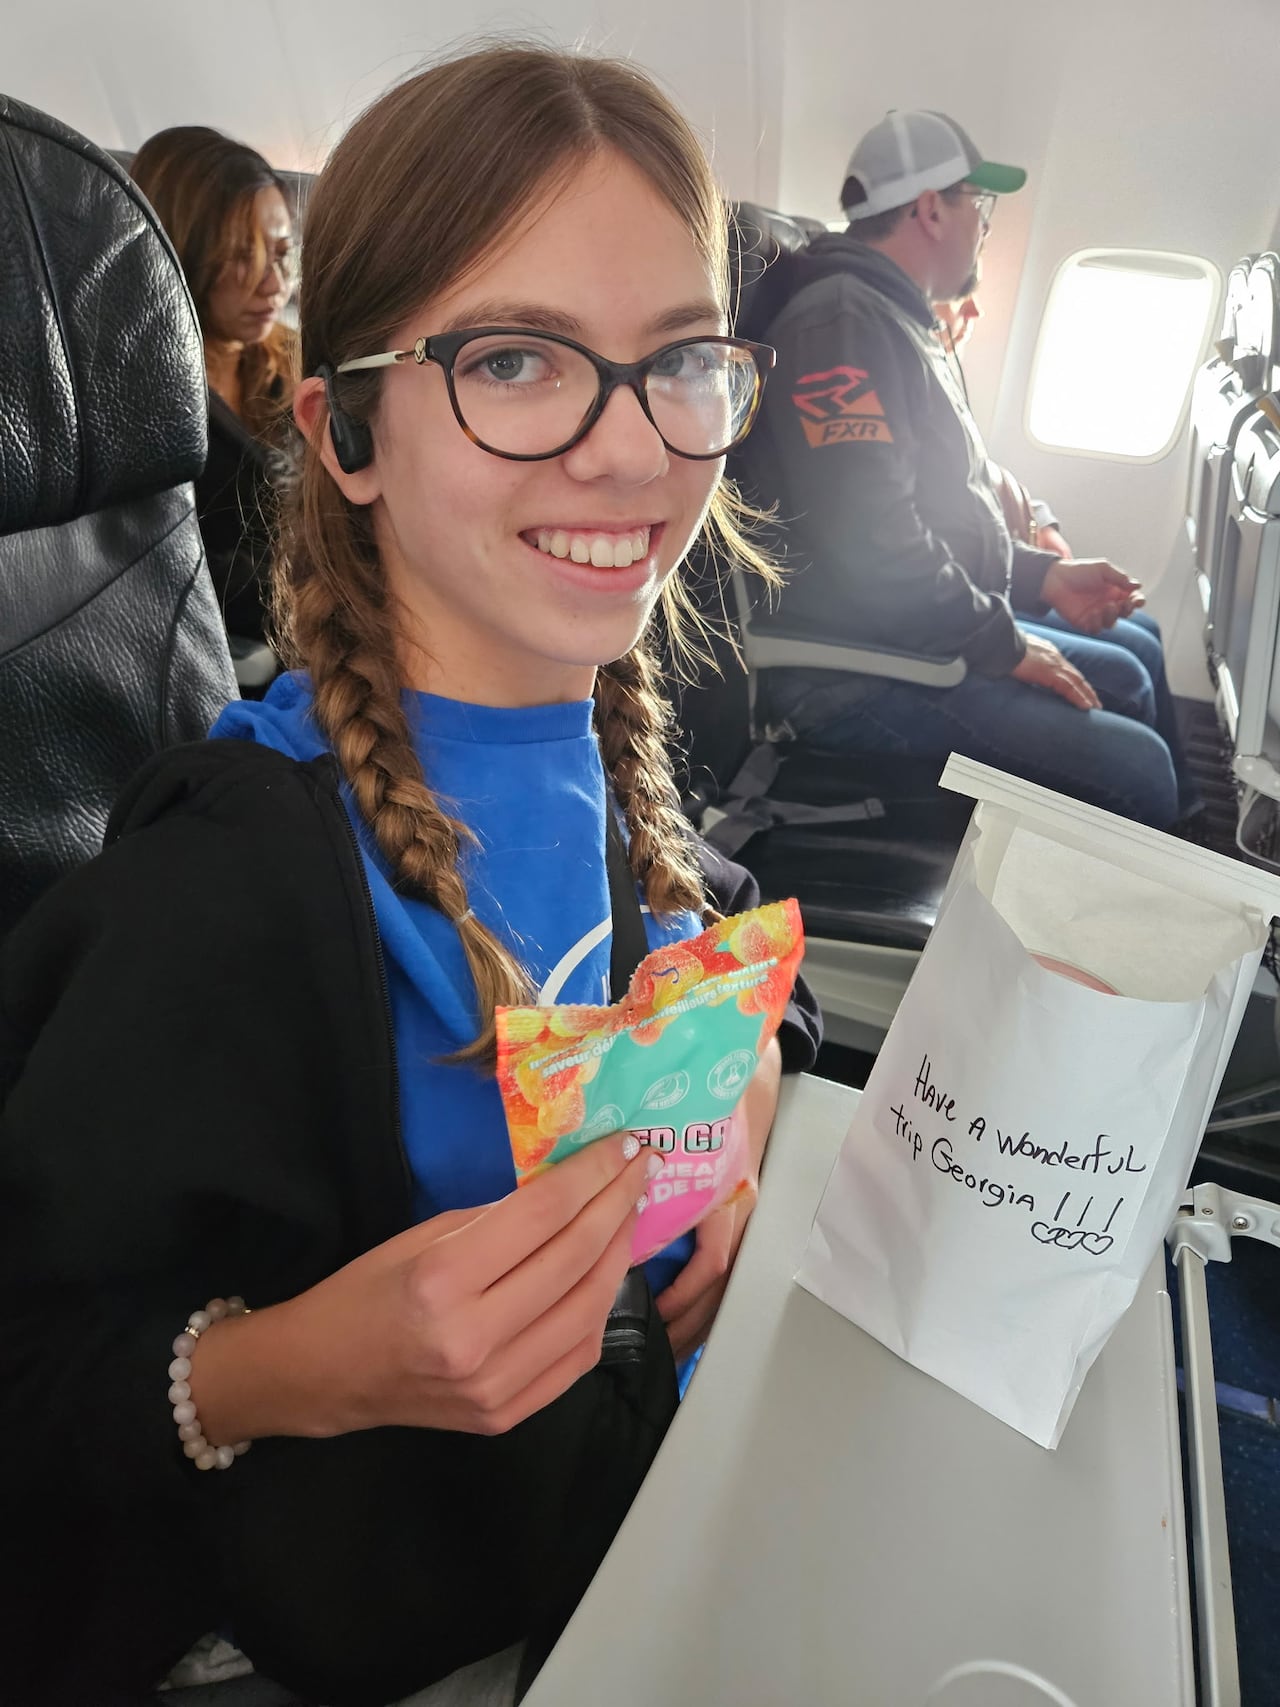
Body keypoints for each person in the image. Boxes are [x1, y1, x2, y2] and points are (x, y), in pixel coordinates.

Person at [0, 45, 818, 1707]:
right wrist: (291, 1368)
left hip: (633, 1535)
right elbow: (28, 1367)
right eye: (519, 361)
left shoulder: (618, 768)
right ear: (347, 430)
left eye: (677, 365)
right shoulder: (227, 891)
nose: (631, 451)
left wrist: (747, 1126)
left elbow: (681, 1012)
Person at [733, 109, 1185, 829]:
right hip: (850, 674)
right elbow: (876, 547)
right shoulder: (839, 328)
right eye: (980, 204)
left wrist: (1040, 577)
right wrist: (1000, 642)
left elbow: (945, 509)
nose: (986, 225)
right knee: (1142, 771)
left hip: (909, 636)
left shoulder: (900, 319)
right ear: (929, 209)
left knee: (1135, 655)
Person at [933, 289, 1203, 822]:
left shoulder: (931, 356)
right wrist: (1010, 631)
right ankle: (1175, 821)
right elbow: (907, 536)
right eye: (958, 296)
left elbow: (983, 477)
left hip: (985, 574)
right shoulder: (868, 337)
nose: (974, 310)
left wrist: (1044, 554)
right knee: (1130, 702)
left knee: (1142, 637)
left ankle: (1191, 813)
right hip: (945, 605)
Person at [132, 126, 299, 649]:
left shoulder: (296, 362)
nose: (274, 284)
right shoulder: (136, 399)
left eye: (281, 253)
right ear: (180, 251)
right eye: (241, 257)